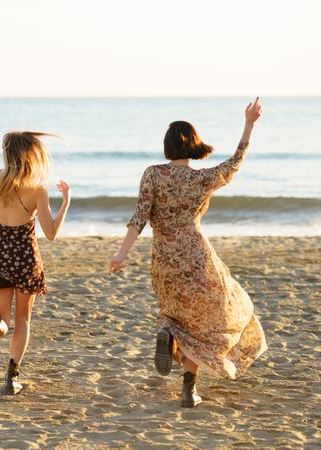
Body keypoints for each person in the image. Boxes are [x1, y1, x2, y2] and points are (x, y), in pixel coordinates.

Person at [108, 98, 268, 408]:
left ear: (167, 147)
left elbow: (139, 218)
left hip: (164, 258)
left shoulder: (152, 174)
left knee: (176, 317)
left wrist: (120, 254)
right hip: (197, 255)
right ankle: (188, 389)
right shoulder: (201, 178)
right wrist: (249, 124)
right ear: (192, 145)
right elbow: (235, 161)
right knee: (210, 318)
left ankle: (168, 336)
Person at [0, 131, 70, 394]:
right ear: (29, 155)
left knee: (3, 319)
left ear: (6, 153)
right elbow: (51, 233)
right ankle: (12, 377)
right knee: (23, 320)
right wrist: (65, 202)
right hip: (26, 260)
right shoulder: (37, 190)